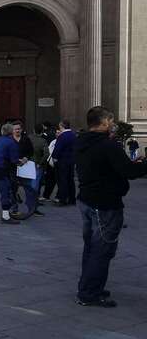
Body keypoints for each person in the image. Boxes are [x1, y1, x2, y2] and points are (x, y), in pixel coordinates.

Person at [74, 106, 147, 308]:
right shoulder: (108, 146)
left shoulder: (81, 141)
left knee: (91, 247)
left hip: (87, 200)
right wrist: (143, 164)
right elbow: (128, 171)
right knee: (102, 250)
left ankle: (89, 286)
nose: (113, 125)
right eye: (111, 121)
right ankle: (89, 293)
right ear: (105, 123)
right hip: (104, 204)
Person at [52, 120, 77, 206]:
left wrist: (54, 157)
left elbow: (57, 149)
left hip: (62, 161)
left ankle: (62, 199)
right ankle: (72, 199)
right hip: (71, 161)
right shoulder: (73, 135)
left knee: (63, 180)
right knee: (70, 180)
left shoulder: (62, 136)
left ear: (62, 126)